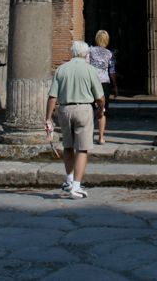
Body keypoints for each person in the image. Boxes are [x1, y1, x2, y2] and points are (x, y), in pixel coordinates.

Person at [45, 40, 105, 199]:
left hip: (64, 109)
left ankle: (69, 180)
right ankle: (76, 186)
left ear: (72, 52)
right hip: (84, 108)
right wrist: (101, 109)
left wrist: (48, 118)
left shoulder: (61, 69)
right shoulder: (90, 70)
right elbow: (100, 97)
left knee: (68, 146)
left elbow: (52, 96)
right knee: (82, 148)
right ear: (86, 54)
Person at [86, 29, 118, 144]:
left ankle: (88, 137)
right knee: (102, 110)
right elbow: (112, 71)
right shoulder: (109, 54)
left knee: (89, 110)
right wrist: (115, 86)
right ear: (107, 40)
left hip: (91, 82)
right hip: (104, 83)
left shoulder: (90, 51)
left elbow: (86, 66)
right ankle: (101, 137)